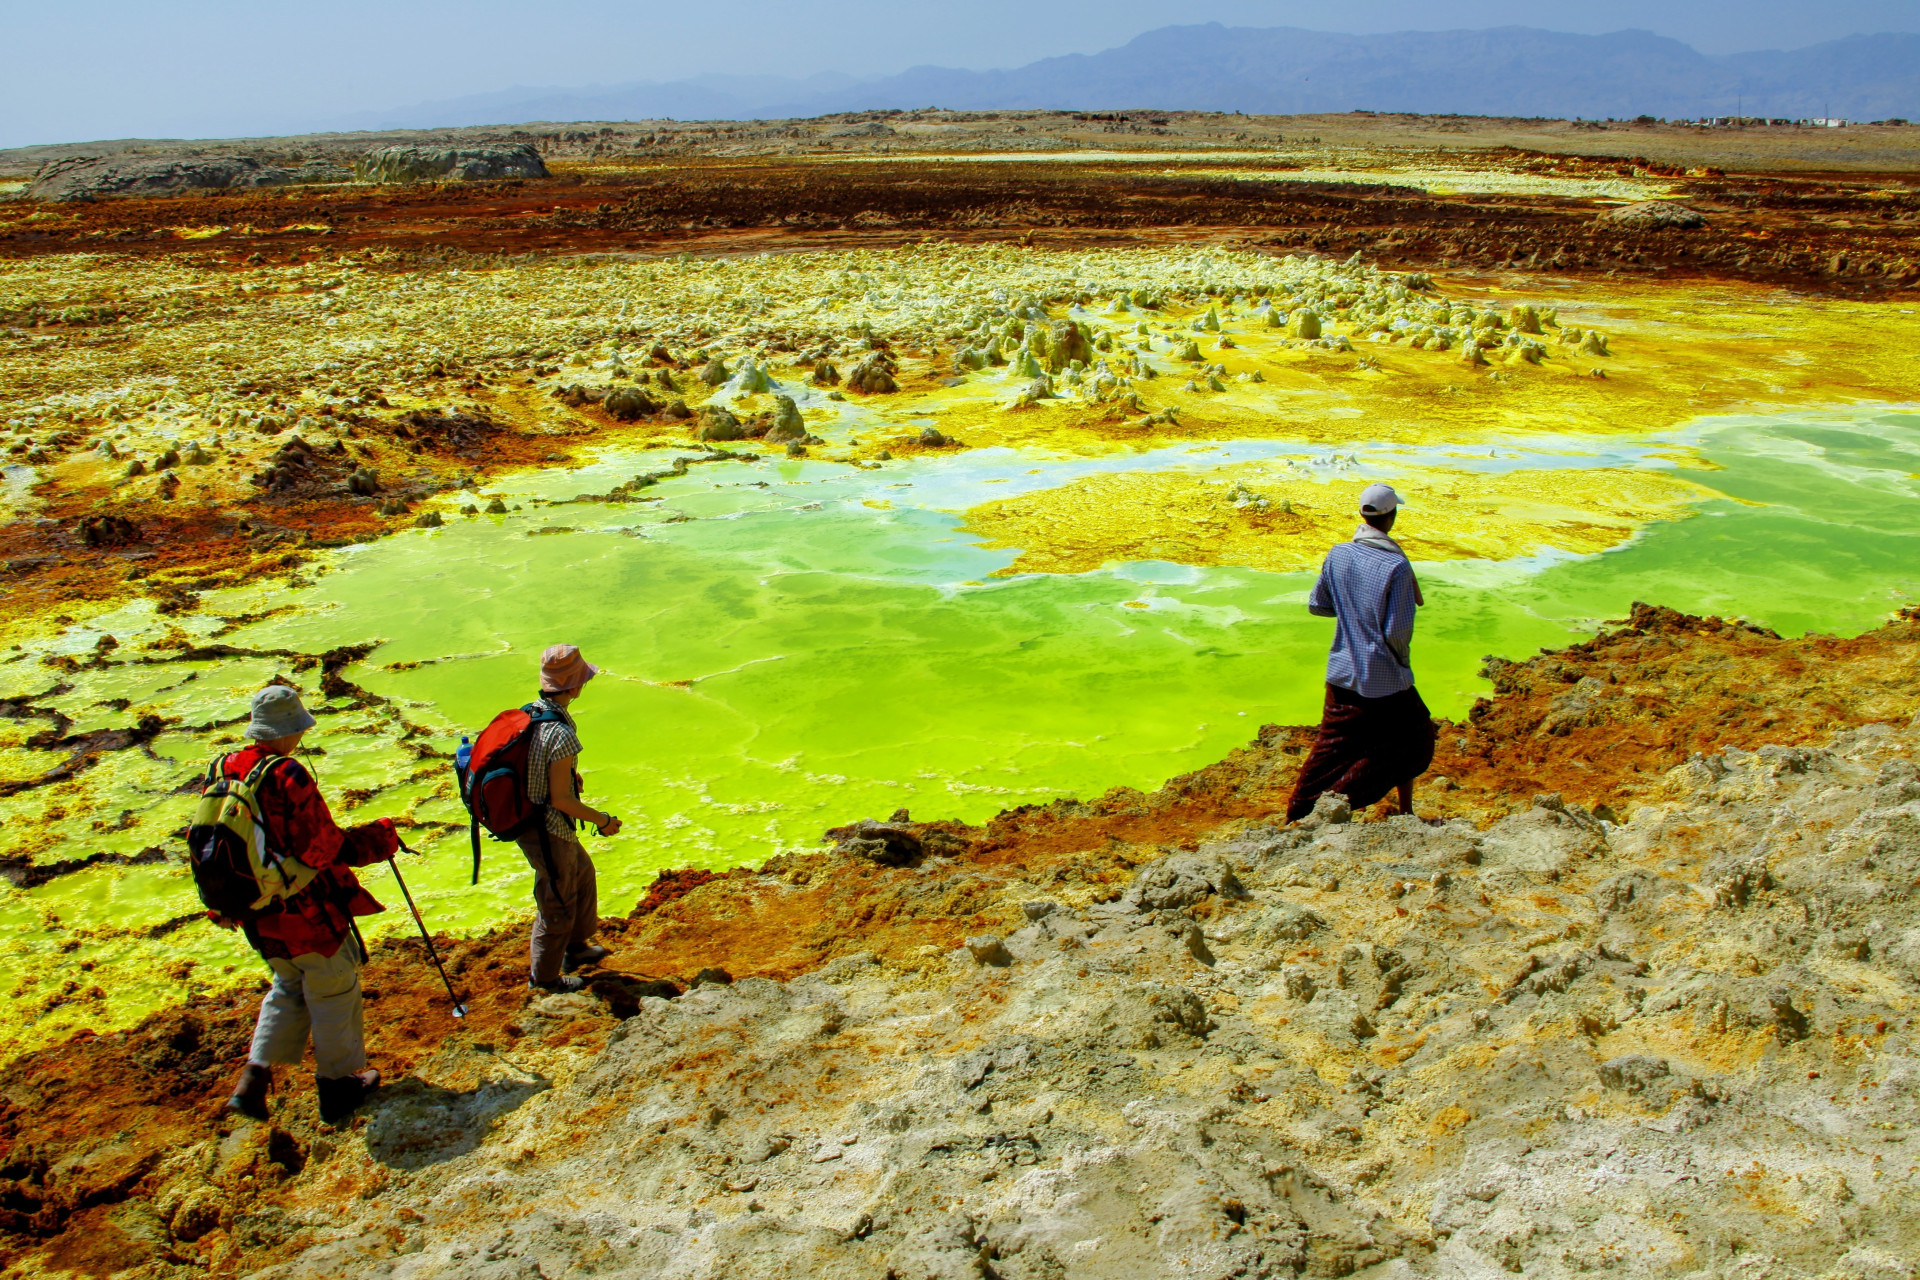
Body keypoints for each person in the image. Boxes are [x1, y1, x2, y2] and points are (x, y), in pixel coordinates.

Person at [217, 686, 399, 1124]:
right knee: (334, 987)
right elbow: (322, 847)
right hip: (304, 909)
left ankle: (253, 1081)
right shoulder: (288, 774)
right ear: (293, 728)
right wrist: (375, 839)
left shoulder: (225, 767)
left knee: (287, 986)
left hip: (256, 909)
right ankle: (338, 1087)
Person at [1285, 483, 1437, 823]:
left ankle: (1299, 812)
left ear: (1362, 514)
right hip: (1383, 678)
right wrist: (1401, 666)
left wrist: (1352, 610)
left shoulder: (1338, 554)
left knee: (1329, 750)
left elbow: (1317, 605)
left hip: (1341, 671)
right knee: (1414, 739)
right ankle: (1382, 807)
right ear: (1392, 516)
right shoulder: (1396, 567)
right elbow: (1397, 631)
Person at [519, 644, 622, 994]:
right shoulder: (560, 733)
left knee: (581, 872)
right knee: (557, 900)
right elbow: (561, 800)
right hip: (546, 827)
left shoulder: (533, 712)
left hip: (536, 816)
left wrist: (566, 777)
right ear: (576, 686)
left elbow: (539, 766)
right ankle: (545, 979)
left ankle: (576, 946)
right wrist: (602, 819)